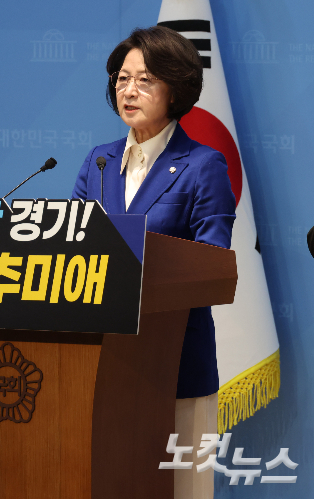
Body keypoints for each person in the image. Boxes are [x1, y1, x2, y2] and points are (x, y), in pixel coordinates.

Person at [72, 26, 236, 499]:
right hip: (101, 366)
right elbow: (72, 248)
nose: (129, 90)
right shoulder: (98, 162)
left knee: (182, 490)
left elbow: (211, 265)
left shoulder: (202, 165)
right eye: (122, 79)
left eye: (144, 80)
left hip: (176, 364)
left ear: (175, 89)